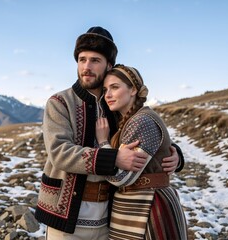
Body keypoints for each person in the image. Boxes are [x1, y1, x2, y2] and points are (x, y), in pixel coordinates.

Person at [34, 26, 185, 240]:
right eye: (82, 59)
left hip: (108, 217)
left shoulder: (114, 105)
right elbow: (59, 153)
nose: (86, 67)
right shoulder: (60, 103)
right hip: (65, 216)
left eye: (95, 60)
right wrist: (112, 157)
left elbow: (141, 131)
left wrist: (174, 154)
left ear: (108, 65)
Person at [96, 64, 188, 239]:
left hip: (149, 206)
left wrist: (102, 142)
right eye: (105, 89)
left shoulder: (141, 121)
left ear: (133, 90)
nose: (107, 95)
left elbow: (121, 177)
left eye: (114, 87)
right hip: (135, 204)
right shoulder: (130, 118)